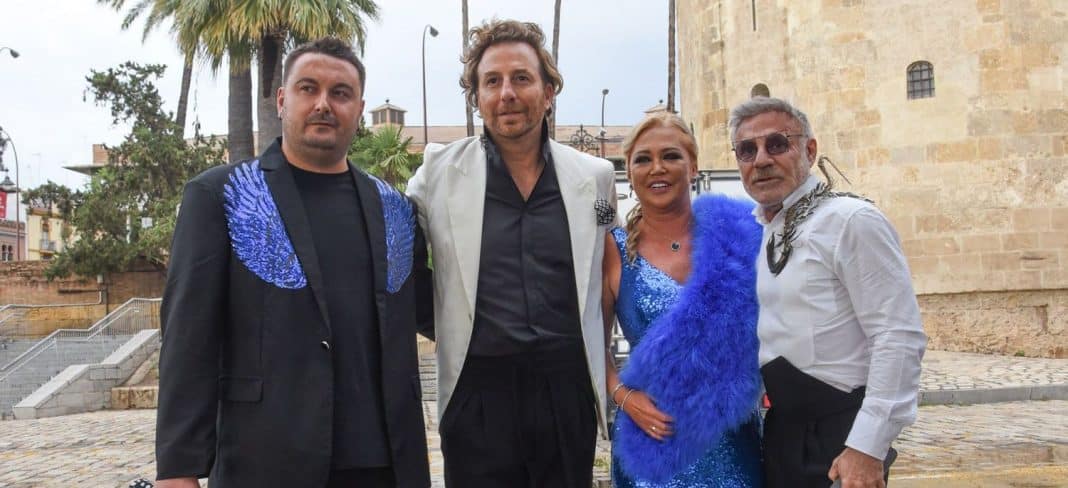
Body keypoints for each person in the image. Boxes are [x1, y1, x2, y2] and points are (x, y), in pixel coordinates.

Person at [155, 37, 433, 488]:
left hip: (387, 464)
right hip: (266, 460)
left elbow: (432, 310)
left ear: (359, 109)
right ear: (283, 100)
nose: (324, 104)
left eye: (340, 93)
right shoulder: (221, 195)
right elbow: (188, 336)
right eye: (309, 88)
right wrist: (177, 469)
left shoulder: (395, 208)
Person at [406, 18, 617, 488]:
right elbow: (399, 256)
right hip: (477, 397)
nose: (507, 94)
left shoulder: (595, 177)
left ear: (548, 91)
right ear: (476, 96)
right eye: (492, 81)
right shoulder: (438, 172)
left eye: (521, 78)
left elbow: (611, 268)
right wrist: (445, 323)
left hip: (566, 396)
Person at [728, 97, 927, 488]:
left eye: (777, 144)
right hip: (784, 435)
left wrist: (867, 447)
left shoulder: (852, 221)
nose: (761, 159)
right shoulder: (766, 230)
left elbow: (898, 336)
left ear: (810, 150)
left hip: (841, 439)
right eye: (747, 150)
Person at [603, 112, 764, 487]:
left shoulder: (740, 237)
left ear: (693, 167)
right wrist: (623, 397)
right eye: (643, 159)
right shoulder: (612, 250)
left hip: (730, 438)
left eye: (671, 156)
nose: (657, 168)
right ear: (629, 173)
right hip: (652, 443)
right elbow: (591, 342)